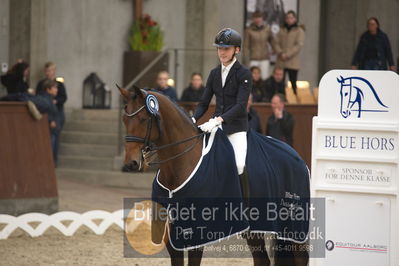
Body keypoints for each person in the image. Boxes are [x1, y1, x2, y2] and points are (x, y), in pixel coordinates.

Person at [192, 28, 252, 199]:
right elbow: (204, 102)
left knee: (239, 164)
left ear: (236, 50)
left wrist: (218, 120)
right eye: (219, 48)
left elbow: (241, 105)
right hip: (215, 127)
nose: (222, 52)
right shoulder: (214, 73)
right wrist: (193, 118)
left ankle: (244, 206)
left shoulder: (244, 74)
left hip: (236, 128)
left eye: (226, 48)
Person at [273, 10, 305, 95]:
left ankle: (294, 99)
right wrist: (280, 53)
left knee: (293, 82)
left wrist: (287, 54)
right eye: (287, 18)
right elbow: (276, 42)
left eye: (291, 17)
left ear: (295, 19)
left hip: (292, 61)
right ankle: (280, 98)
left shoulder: (299, 31)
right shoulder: (282, 30)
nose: (289, 19)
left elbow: (299, 45)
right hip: (281, 60)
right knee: (280, 82)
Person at [244, 10, 274, 79]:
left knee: (265, 77)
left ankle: (263, 90)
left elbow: (272, 41)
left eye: (259, 17)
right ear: (253, 19)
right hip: (253, 58)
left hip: (264, 58)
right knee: (252, 78)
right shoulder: (249, 30)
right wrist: (246, 60)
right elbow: (246, 46)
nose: (257, 19)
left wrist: (274, 50)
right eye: (255, 17)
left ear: (262, 18)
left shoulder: (267, 29)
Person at [40, 79, 61, 163]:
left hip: (54, 130)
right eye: (54, 88)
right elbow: (45, 111)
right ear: (48, 89)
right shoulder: (45, 99)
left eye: (56, 88)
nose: (56, 90)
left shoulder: (50, 99)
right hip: (49, 130)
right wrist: (50, 120)